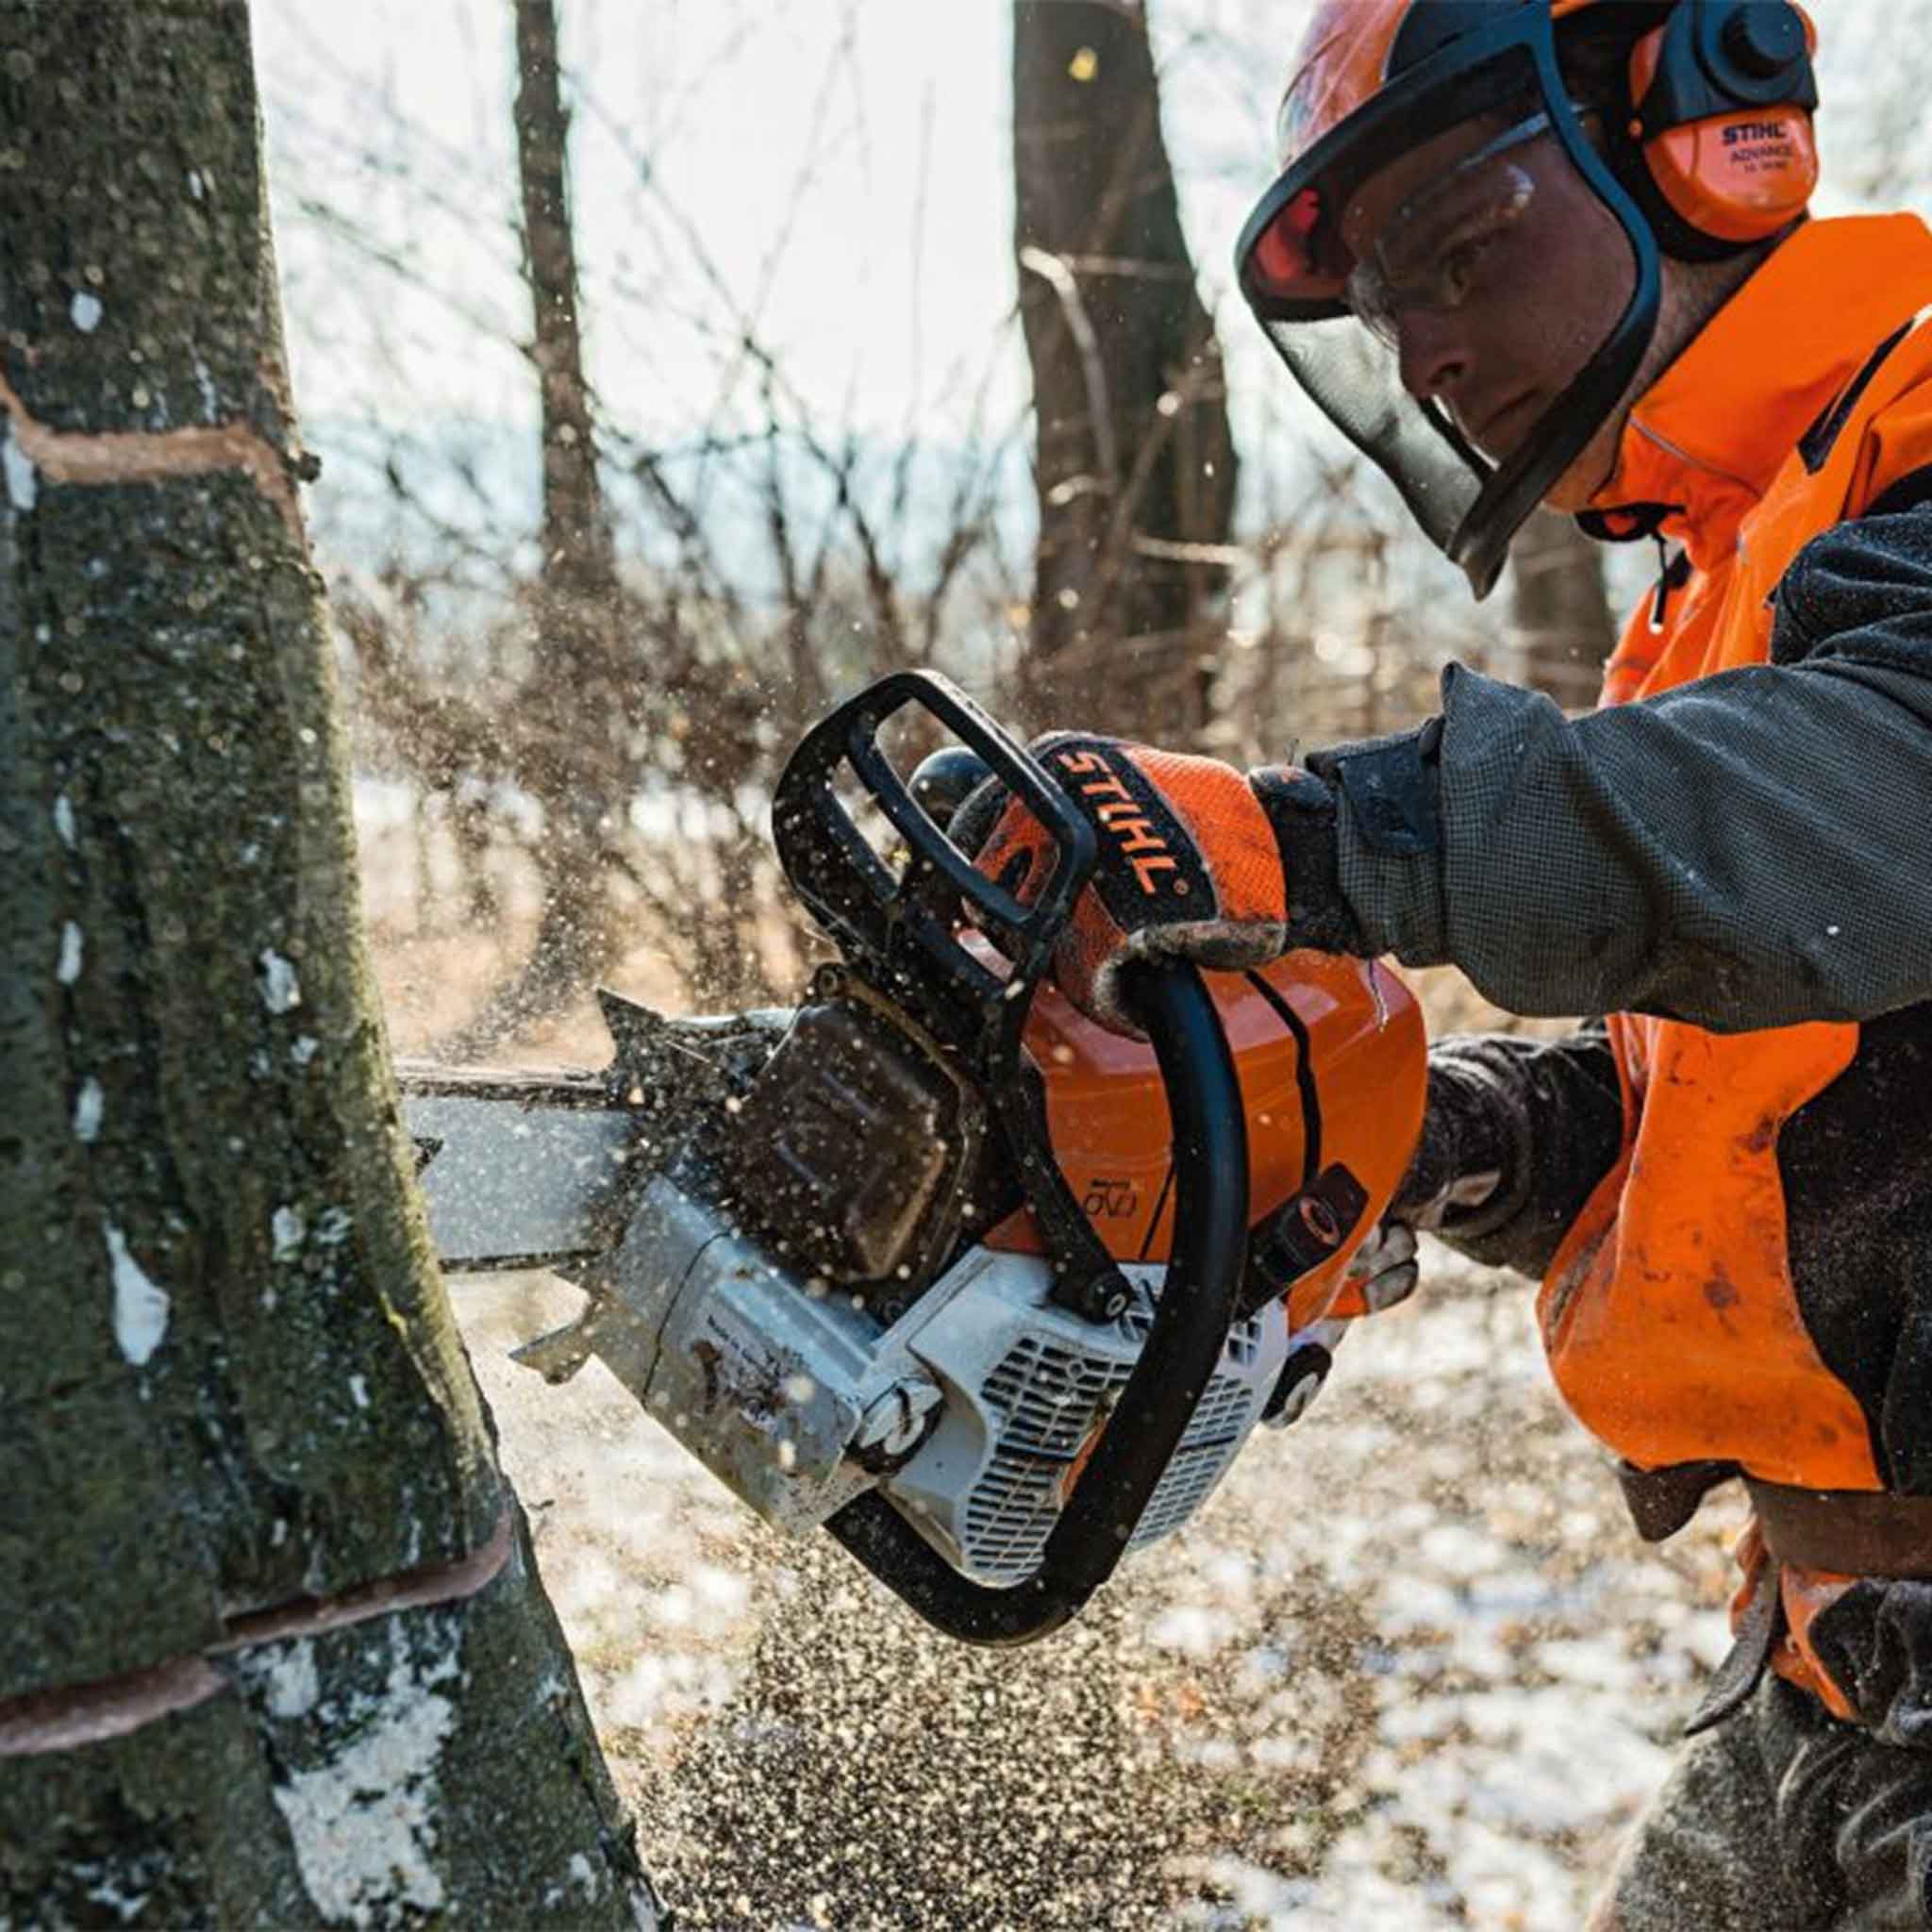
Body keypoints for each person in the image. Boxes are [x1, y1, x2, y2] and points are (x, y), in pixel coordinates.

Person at [969, 1, 1932, 1922]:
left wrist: (1316, 841)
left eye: (1456, 251)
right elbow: (1778, 1097)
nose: (1425, 348)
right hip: (1823, 1653)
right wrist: (1450, 1131)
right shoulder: (1732, 558)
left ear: (1696, 130)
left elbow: (1873, 812)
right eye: (1385, 307)